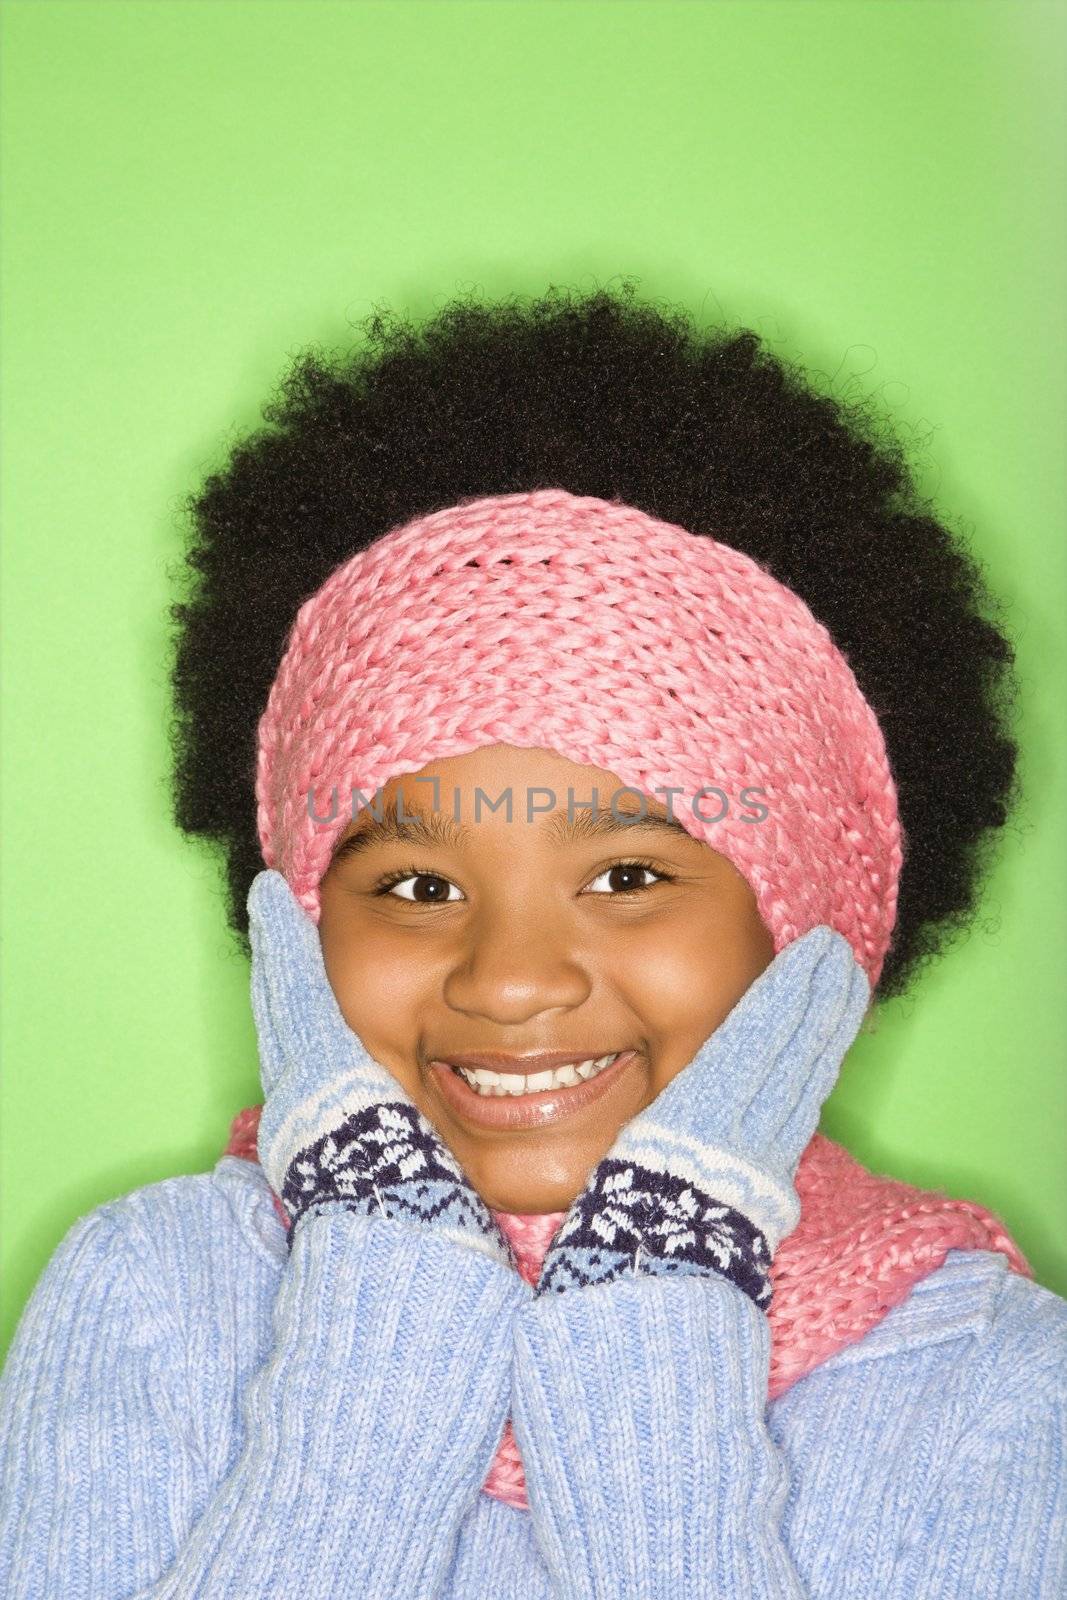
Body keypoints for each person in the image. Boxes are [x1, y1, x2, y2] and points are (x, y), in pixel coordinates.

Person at [1, 284, 1064, 1598]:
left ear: (805, 932)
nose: (508, 981)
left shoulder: (991, 1385)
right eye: (415, 886)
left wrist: (656, 1331)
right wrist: (379, 1316)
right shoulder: (157, 1295)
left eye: (625, 874)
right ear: (294, 913)